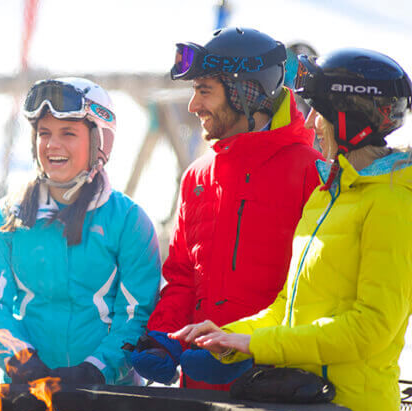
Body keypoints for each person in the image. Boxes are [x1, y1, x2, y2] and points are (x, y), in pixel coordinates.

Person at [172, 47, 412, 411]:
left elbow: (372, 327)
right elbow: (287, 306)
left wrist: (260, 345)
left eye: (320, 111)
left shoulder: (393, 202)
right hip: (307, 406)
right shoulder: (327, 195)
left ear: (348, 116)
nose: (313, 123)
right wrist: (228, 337)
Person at [128, 27, 324, 390]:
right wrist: (163, 337)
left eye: (205, 91)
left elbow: (317, 292)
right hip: (200, 387)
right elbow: (184, 278)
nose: (193, 105)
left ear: (246, 92)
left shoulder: (311, 172)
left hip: (277, 389)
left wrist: (251, 350)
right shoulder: (197, 176)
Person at [0, 77, 161, 385]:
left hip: (111, 398)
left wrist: (96, 369)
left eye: (68, 133)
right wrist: (20, 360)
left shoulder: (128, 221)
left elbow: (138, 315)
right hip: (30, 394)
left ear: (101, 142)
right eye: (44, 133)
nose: (52, 145)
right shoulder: (7, 218)